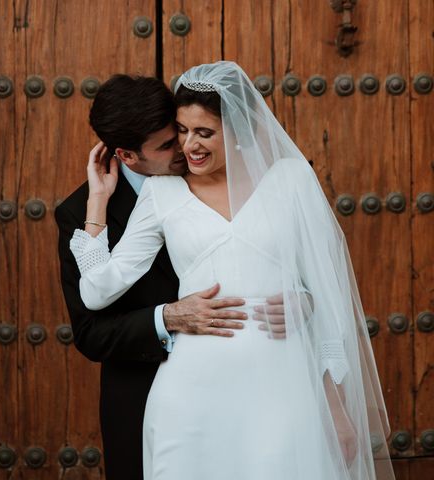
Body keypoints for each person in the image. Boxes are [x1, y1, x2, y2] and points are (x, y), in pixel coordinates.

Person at [69, 61, 395, 480]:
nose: (189, 146)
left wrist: (335, 405)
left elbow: (328, 300)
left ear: (238, 130)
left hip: (284, 390)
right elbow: (97, 292)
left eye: (204, 132)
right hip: (191, 396)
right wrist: (97, 204)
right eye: (182, 132)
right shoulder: (161, 192)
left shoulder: (292, 180)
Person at [55, 74, 259, 480]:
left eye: (182, 131)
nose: (185, 147)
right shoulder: (79, 214)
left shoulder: (227, 174)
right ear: (128, 156)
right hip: (142, 394)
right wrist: (166, 318)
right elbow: (91, 332)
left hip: (242, 384)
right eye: (169, 144)